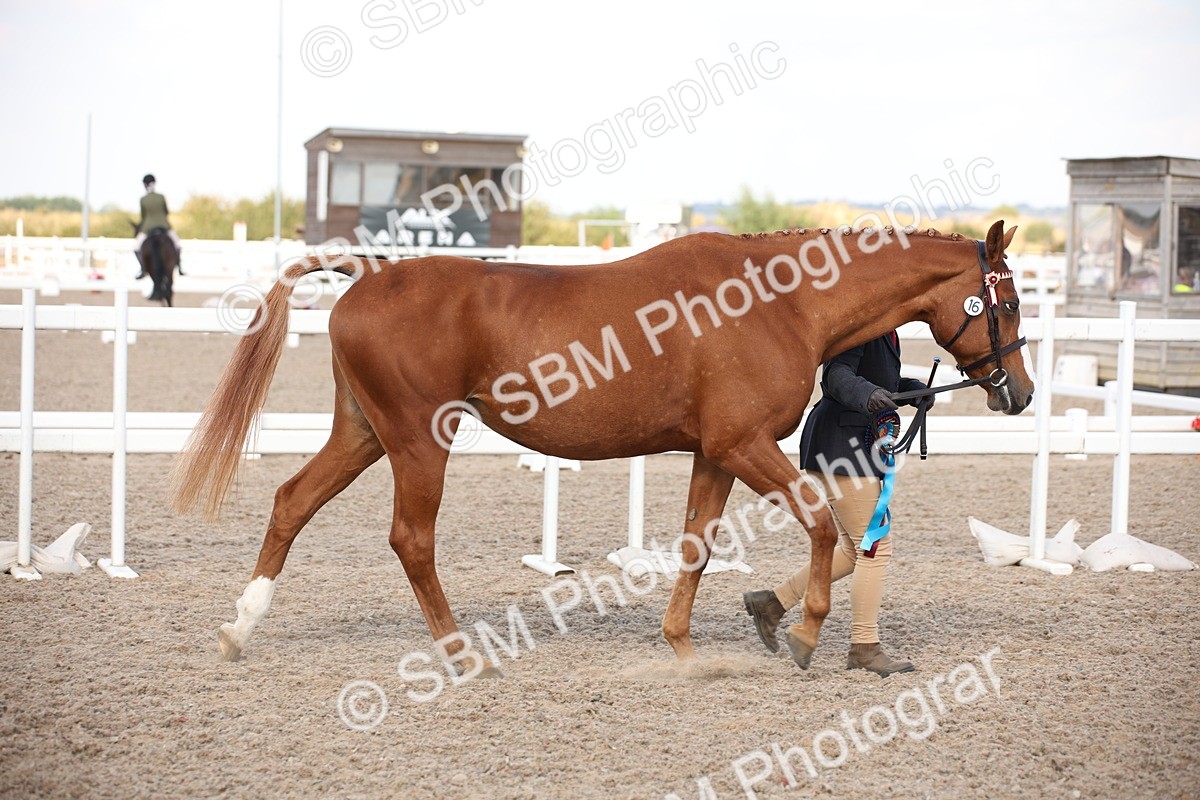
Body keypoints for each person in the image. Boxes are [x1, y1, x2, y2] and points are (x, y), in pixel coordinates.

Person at [743, 331, 931, 677]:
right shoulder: (867, 323)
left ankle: (772, 603)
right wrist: (868, 394)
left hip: (847, 441)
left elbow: (876, 379)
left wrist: (910, 388)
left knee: (852, 548)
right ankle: (864, 647)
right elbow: (836, 375)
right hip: (842, 443)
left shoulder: (887, 329)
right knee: (875, 547)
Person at [134, 174, 183, 278]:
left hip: (148, 227)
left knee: (137, 247)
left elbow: (143, 216)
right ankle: (179, 267)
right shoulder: (161, 197)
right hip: (164, 225)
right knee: (177, 244)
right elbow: (166, 212)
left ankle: (143, 269)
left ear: (144, 185)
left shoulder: (143, 199)